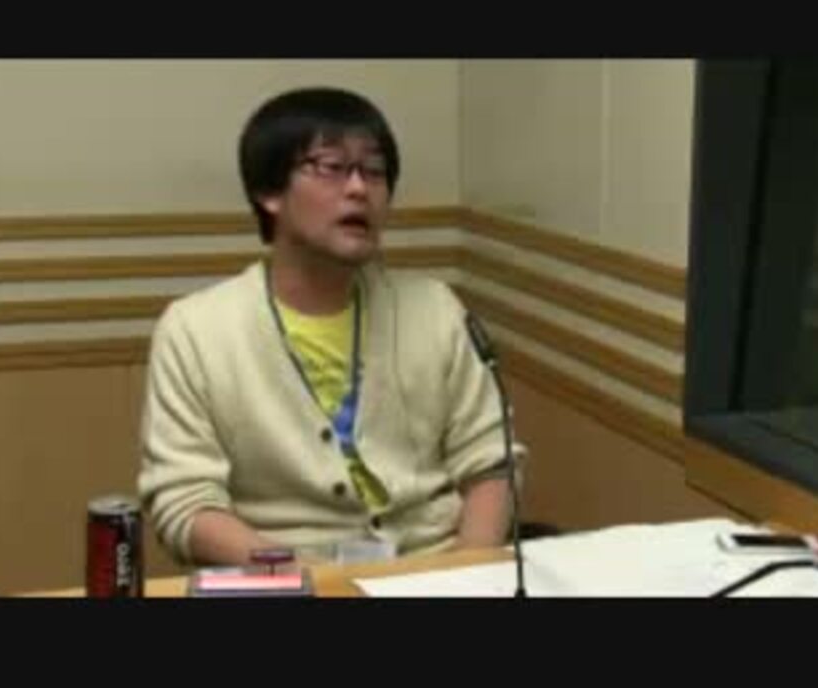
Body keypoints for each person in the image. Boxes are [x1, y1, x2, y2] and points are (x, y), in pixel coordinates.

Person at [137, 86, 527, 567]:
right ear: (269, 192)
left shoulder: (436, 309)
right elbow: (186, 503)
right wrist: (303, 579)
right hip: (281, 578)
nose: (359, 188)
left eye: (375, 171)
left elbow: (492, 464)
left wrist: (464, 573)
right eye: (332, 167)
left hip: (432, 569)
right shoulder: (195, 330)